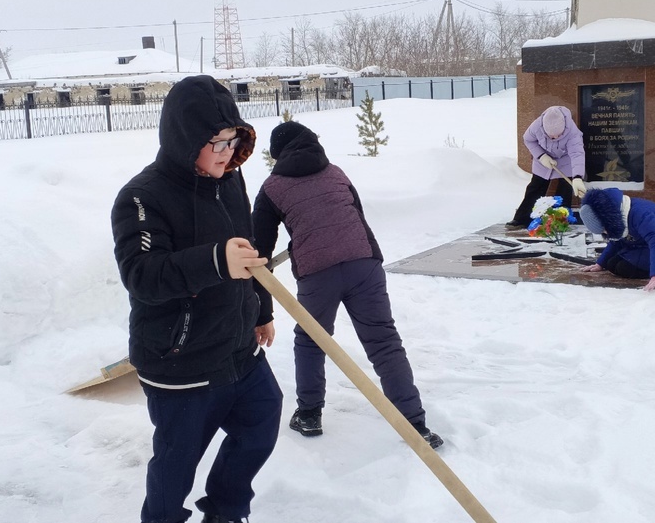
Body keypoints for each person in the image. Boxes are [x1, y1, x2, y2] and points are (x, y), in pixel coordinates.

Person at [110, 75, 282, 523]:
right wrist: (214, 261)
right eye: (216, 142)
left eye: (233, 140)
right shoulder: (141, 197)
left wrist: (260, 310)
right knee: (176, 463)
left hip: (238, 347)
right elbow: (142, 276)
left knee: (260, 423)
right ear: (186, 140)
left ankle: (225, 512)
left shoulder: (229, 182)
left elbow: (248, 253)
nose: (227, 152)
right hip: (180, 360)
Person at [251, 121, 443, 450]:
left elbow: (259, 256)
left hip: (317, 273)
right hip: (363, 263)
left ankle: (309, 414)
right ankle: (415, 424)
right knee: (384, 342)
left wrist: (261, 311)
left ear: (278, 155)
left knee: (312, 341)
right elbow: (356, 217)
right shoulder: (336, 172)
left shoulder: (271, 188)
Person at [579, 187, 655, 292]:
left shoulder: (639, 214)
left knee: (623, 268)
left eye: (604, 229)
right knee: (611, 264)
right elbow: (616, 241)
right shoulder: (617, 213)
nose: (605, 233)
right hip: (643, 243)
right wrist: (600, 263)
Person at [507, 106, 587, 227]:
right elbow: (528, 139)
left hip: (565, 161)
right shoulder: (537, 126)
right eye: (550, 135)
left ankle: (560, 221)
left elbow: (577, 154)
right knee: (535, 188)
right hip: (543, 160)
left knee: (564, 190)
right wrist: (541, 156)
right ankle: (522, 218)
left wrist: (577, 177)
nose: (553, 138)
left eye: (557, 135)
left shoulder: (572, 132)